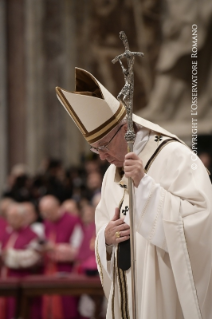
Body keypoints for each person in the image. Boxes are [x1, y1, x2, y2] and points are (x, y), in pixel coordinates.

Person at [56, 68, 212, 319]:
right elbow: (102, 229)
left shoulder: (176, 156)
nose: (103, 156)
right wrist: (105, 239)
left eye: (105, 145)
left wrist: (145, 185)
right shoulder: (110, 174)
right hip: (125, 291)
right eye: (95, 150)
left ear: (126, 128)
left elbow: (202, 222)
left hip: (162, 289)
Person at [39, 195, 83, 319]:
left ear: (57, 207)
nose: (46, 216)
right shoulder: (47, 222)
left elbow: (78, 251)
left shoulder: (73, 220)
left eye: (49, 212)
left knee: (67, 309)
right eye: (44, 213)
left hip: (66, 271)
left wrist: (54, 248)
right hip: (49, 270)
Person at [0, 202, 41, 319]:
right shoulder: (8, 233)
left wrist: (9, 255)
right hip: (6, 276)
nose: (11, 221)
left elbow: (32, 258)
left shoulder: (32, 235)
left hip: (21, 278)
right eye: (9, 218)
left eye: (14, 217)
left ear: (23, 218)